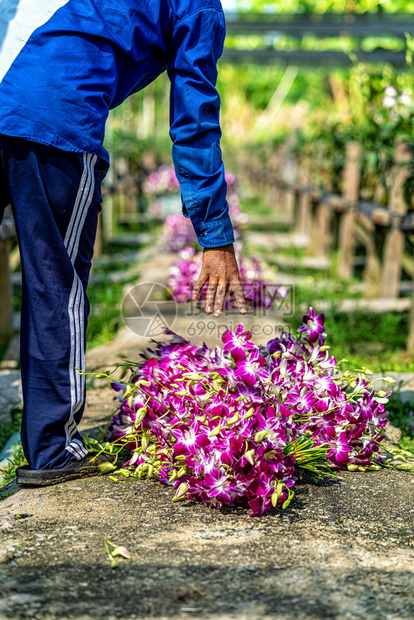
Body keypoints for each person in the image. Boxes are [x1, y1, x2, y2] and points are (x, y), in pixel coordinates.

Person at [0, 0, 246, 485]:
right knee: (57, 285)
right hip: (53, 113)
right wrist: (215, 236)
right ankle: (52, 450)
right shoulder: (198, 6)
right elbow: (194, 118)